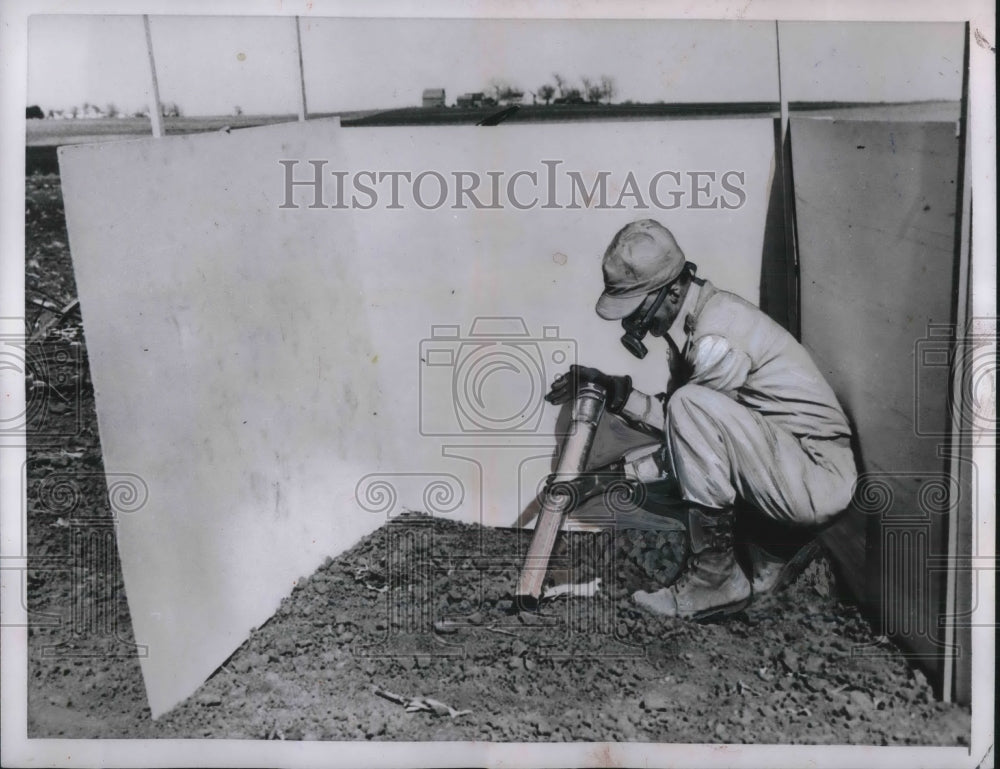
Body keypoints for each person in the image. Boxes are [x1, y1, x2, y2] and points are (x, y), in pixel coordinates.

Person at [545, 219, 857, 620]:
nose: (632, 325)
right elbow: (685, 426)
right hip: (791, 465)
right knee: (680, 428)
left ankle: (714, 577)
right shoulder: (701, 320)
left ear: (672, 290)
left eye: (637, 310)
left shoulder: (716, 339)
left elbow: (688, 429)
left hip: (815, 477)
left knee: (675, 436)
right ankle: (771, 547)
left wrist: (610, 478)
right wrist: (617, 392)